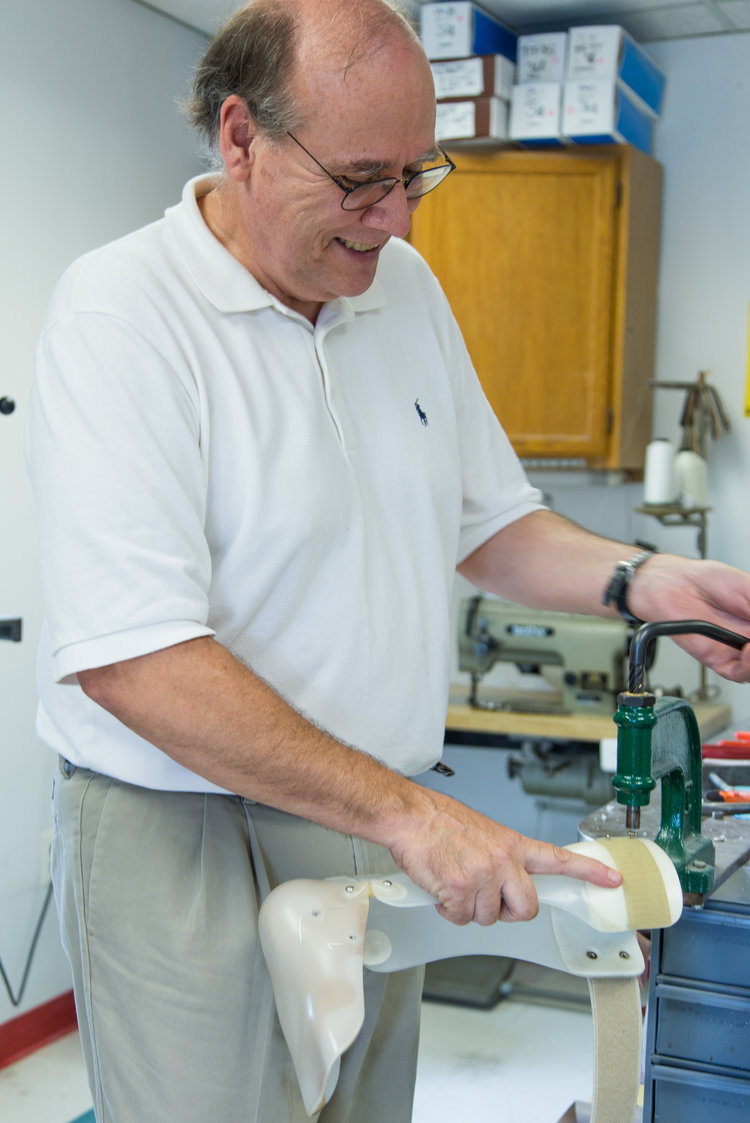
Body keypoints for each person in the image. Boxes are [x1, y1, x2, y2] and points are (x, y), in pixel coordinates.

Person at [25, 1, 750, 1120]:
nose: (398, 220)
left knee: (362, 1109)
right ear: (240, 137)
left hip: (372, 809)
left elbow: (488, 523)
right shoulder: (122, 314)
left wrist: (645, 579)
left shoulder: (400, 291)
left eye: (418, 174)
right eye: (365, 178)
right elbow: (137, 658)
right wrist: (415, 818)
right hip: (186, 830)